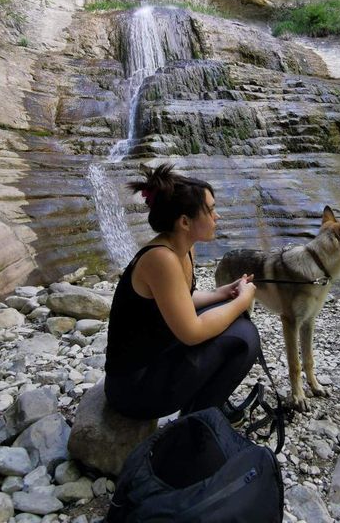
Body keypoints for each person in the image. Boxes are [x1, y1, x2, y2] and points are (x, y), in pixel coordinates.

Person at [104, 163, 260, 422]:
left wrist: (222, 294)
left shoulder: (183, 246)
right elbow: (192, 332)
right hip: (132, 389)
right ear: (185, 222)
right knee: (244, 337)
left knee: (235, 321)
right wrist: (243, 300)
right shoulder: (161, 258)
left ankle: (205, 408)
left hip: (156, 356)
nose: (217, 217)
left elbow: (182, 300)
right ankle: (196, 421)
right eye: (210, 210)